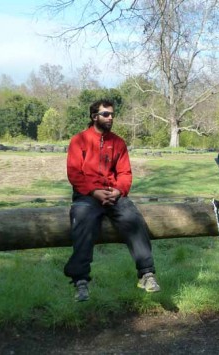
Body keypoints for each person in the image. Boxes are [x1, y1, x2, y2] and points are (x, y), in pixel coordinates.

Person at [64, 98, 160, 302]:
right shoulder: (78, 141)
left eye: (112, 114)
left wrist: (118, 191)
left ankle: (146, 273)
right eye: (105, 114)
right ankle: (80, 281)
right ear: (94, 116)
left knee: (132, 217)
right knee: (82, 218)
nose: (110, 118)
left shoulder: (118, 143)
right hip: (87, 195)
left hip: (113, 193)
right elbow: (74, 173)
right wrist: (93, 192)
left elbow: (125, 173)